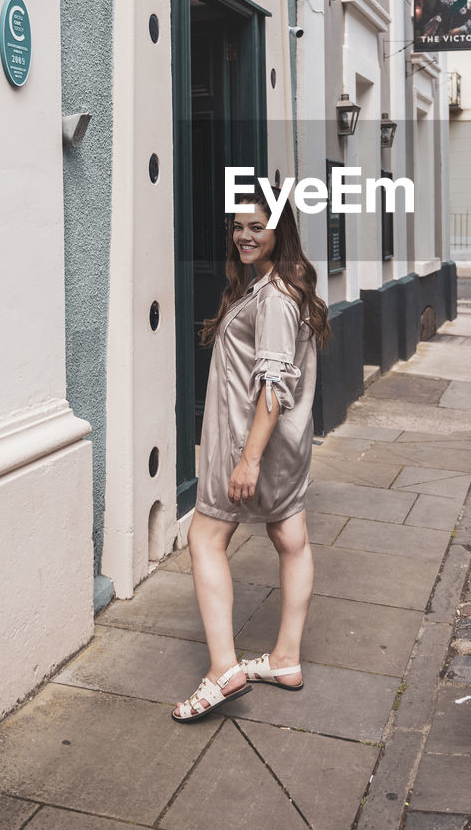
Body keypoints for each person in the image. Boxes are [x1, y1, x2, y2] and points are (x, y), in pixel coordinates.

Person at [172, 189, 329, 723]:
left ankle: (223, 669)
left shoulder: (275, 299)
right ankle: (285, 659)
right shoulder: (276, 287)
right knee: (290, 537)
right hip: (285, 446)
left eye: (256, 225)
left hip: (252, 442)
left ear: (279, 230)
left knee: (204, 537)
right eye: (237, 226)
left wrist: (248, 459)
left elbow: (273, 384)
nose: (244, 235)